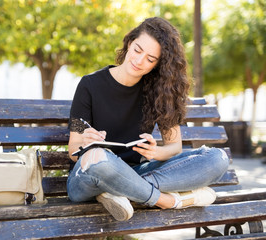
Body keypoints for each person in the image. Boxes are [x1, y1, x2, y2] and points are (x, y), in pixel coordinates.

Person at [67, 17, 229, 221]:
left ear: (158, 65)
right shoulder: (89, 85)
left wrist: (156, 152)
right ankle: (168, 200)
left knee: (217, 158)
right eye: (137, 50)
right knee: (100, 158)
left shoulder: (159, 92)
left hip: (136, 171)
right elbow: (73, 152)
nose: (139, 61)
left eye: (150, 59)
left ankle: (119, 191)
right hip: (88, 176)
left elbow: (174, 147)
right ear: (129, 42)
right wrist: (85, 143)